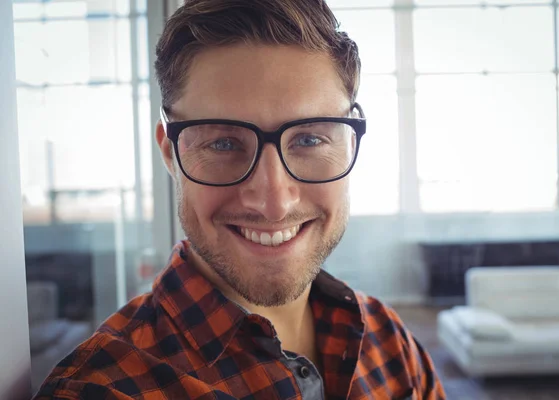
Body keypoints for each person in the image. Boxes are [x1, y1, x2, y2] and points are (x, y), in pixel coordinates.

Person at [34, 0, 446, 398]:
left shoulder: (391, 345)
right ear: (170, 154)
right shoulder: (99, 388)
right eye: (223, 143)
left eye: (309, 138)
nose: (274, 202)